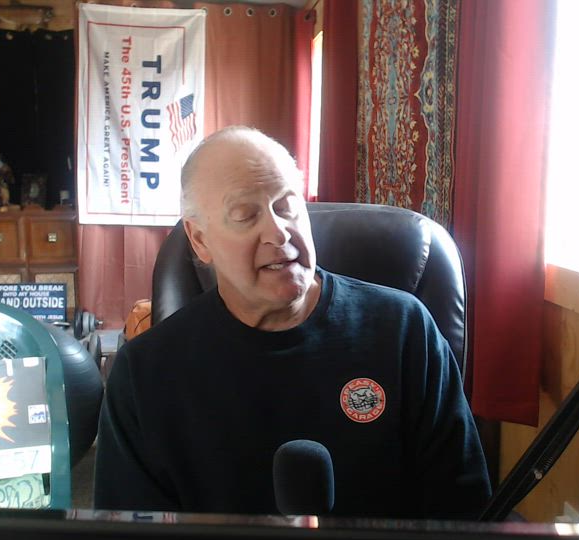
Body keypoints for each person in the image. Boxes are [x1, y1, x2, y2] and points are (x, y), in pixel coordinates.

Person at [94, 126, 491, 519]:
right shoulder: (145, 374)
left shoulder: (404, 330)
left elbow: (462, 509)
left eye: (286, 207)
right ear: (200, 240)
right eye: (246, 215)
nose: (278, 232)